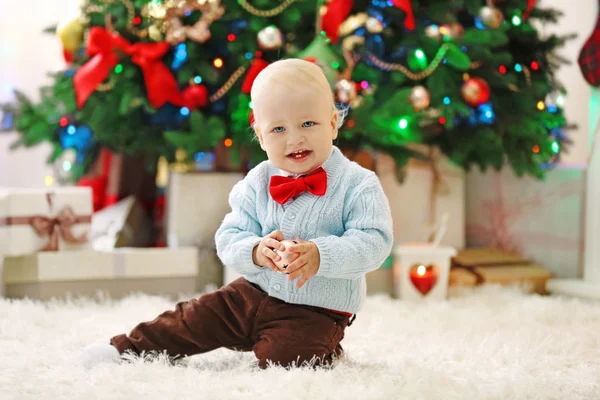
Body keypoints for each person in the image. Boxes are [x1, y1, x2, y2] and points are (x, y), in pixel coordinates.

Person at [78, 58, 394, 370]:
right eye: (279, 128)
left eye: (307, 124)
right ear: (260, 136)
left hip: (316, 309)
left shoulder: (358, 183)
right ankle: (126, 349)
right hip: (251, 293)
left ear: (333, 123)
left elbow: (374, 243)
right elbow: (229, 237)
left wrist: (321, 255)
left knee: (285, 357)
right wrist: (256, 251)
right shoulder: (257, 180)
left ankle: (319, 348)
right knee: (191, 317)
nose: (294, 138)